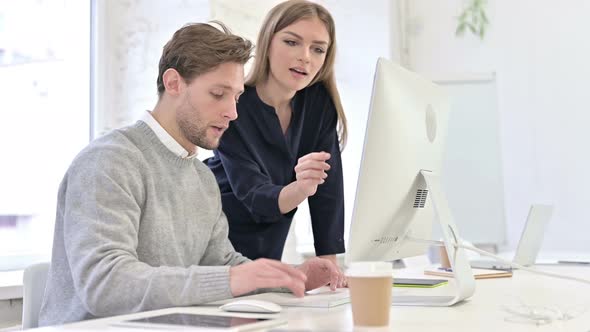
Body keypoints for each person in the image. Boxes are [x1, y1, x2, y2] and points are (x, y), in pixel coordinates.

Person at [39, 22, 342, 327]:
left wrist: (290, 276)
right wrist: (233, 278)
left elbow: (223, 265)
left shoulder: (201, 178)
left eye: (236, 97)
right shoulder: (109, 161)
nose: (232, 113)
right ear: (174, 83)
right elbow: (105, 284)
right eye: (218, 94)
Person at [206, 0, 348, 268]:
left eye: (318, 49)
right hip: (218, 240)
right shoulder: (233, 108)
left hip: (269, 243)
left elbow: (327, 189)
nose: (305, 56)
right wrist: (302, 188)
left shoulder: (318, 103)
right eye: (291, 42)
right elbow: (255, 195)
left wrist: (329, 263)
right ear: (268, 43)